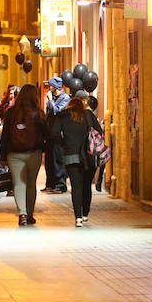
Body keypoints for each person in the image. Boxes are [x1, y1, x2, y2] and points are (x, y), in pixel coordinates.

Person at [0, 84, 48, 226]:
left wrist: (2, 157)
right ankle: (30, 213)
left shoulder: (11, 113)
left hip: (14, 154)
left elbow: (5, 136)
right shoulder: (38, 113)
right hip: (34, 152)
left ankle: (22, 214)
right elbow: (47, 133)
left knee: (18, 183)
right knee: (31, 183)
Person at [52, 95, 103, 226]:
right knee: (86, 186)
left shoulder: (63, 115)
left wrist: (65, 143)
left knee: (76, 187)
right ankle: (85, 213)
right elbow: (99, 132)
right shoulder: (88, 115)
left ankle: (78, 218)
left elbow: (54, 134)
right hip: (89, 156)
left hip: (71, 155)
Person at [42, 76, 70, 194]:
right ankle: (50, 184)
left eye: (50, 86)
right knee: (49, 161)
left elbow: (55, 112)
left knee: (58, 160)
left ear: (55, 87)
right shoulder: (53, 98)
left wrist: (50, 101)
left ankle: (60, 185)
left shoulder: (65, 98)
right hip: (50, 134)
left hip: (59, 135)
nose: (49, 88)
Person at [87, 96, 106, 192]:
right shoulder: (92, 116)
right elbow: (99, 132)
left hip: (88, 153)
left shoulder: (88, 115)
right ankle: (99, 180)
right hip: (93, 153)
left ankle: (99, 180)